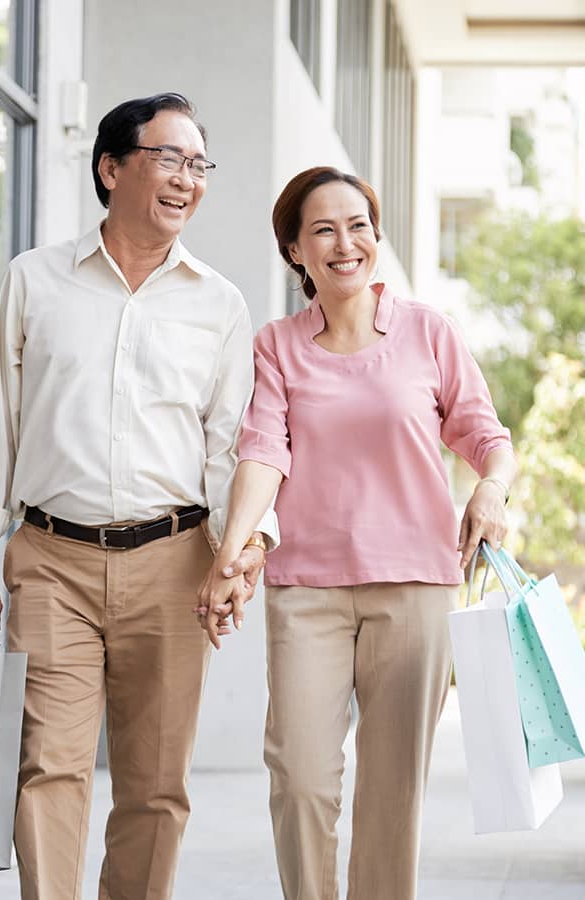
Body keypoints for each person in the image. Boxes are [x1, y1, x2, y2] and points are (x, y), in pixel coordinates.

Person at [0, 92, 276, 900]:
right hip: (51, 560)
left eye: (199, 165)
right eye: (169, 159)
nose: (187, 179)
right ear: (111, 168)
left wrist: (241, 552)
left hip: (173, 563)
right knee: (48, 769)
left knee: (156, 786)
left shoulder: (219, 304)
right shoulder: (36, 280)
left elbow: (230, 449)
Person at [196, 166, 516, 900]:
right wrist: (231, 553)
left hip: (415, 587)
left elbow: (485, 437)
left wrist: (491, 488)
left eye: (359, 226)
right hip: (306, 590)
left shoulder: (428, 332)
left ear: (376, 236)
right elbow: (262, 452)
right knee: (299, 778)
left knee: (392, 793)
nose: (346, 244)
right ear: (295, 251)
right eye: (324, 230)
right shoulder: (277, 345)